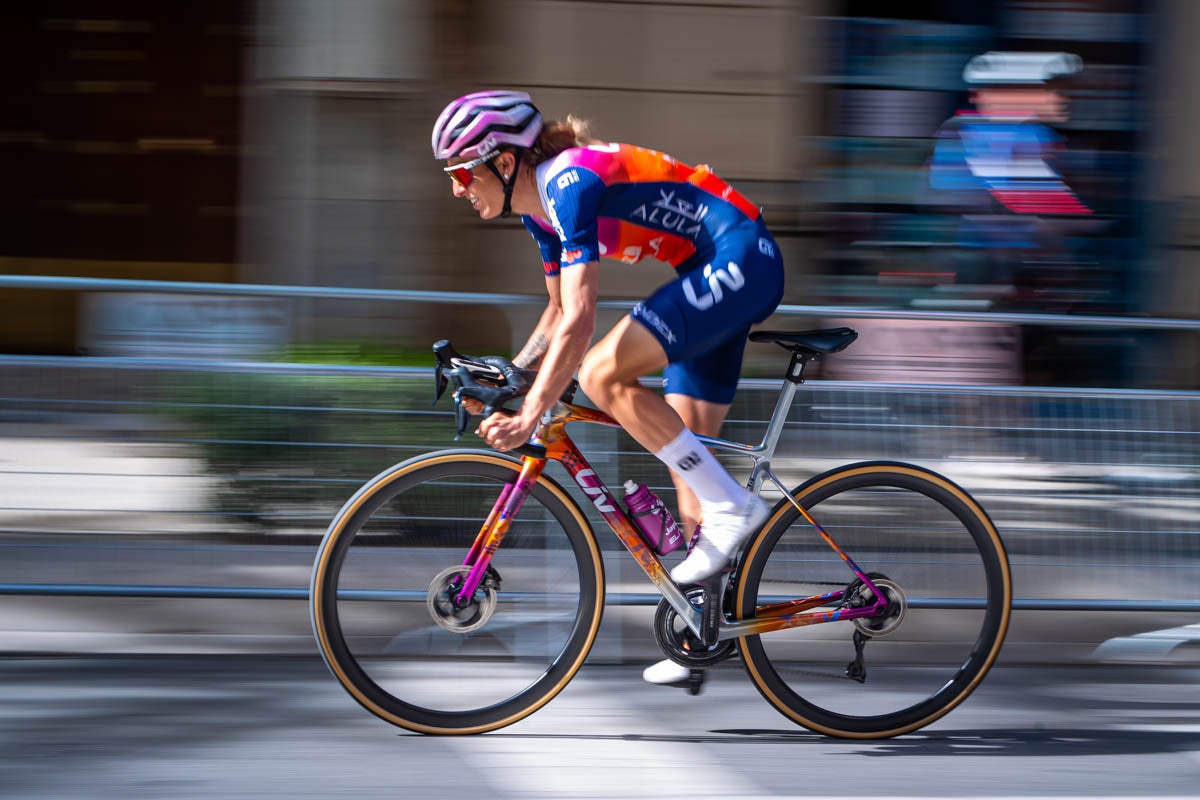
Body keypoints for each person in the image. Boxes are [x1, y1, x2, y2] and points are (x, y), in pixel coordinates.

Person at [432, 90, 784, 686]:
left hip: (740, 255)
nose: (459, 188)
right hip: (710, 268)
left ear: (505, 160)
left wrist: (530, 415)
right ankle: (703, 631)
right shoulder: (538, 210)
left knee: (600, 372)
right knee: (691, 468)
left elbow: (581, 320)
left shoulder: (568, 182)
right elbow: (555, 309)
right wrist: (514, 374)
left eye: (463, 172)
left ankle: (737, 508)